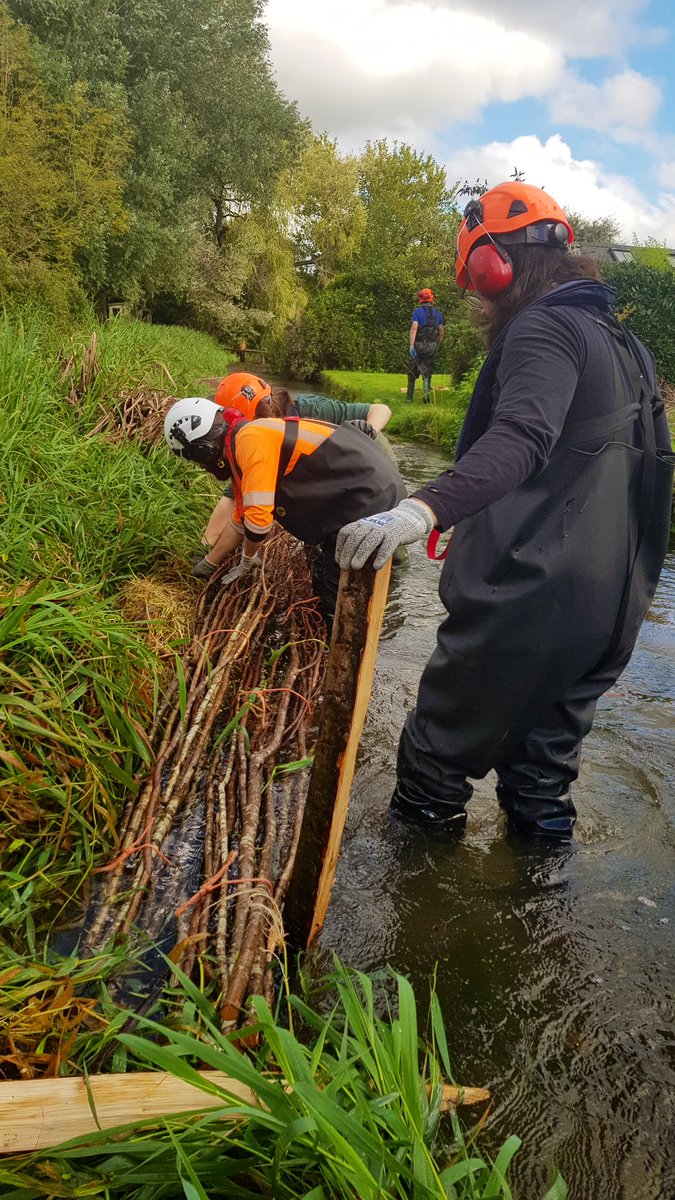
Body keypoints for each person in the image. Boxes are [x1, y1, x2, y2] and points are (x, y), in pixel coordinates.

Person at [336, 181, 673, 840]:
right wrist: (469, 505)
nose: (478, 297)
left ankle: (415, 921)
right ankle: (541, 915)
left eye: (476, 282)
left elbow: (521, 438)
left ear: (494, 264)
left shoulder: (544, 325)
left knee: (435, 762)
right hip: (613, 608)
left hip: (529, 595)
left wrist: (422, 508)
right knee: (541, 778)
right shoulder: (626, 345)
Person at [164, 392, 405, 619]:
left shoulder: (250, 440)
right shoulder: (240, 441)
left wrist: (247, 559)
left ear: (203, 450)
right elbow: (241, 516)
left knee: (337, 597)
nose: (202, 467)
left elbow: (258, 522)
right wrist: (209, 563)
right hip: (354, 495)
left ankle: (339, 652)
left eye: (195, 460)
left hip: (369, 496)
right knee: (323, 577)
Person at [201, 373, 394, 553]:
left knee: (380, 544)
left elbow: (381, 409)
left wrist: (368, 430)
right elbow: (236, 495)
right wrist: (207, 544)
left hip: (371, 465)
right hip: (331, 480)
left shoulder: (310, 409)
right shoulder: (252, 443)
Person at [407, 288, 444, 404]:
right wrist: (437, 343)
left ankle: (409, 398)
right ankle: (426, 398)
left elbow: (414, 328)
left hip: (417, 346)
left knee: (412, 371)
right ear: (431, 299)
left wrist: (411, 345)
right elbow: (441, 332)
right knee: (427, 372)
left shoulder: (417, 312)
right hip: (431, 347)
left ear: (420, 299)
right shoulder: (438, 314)